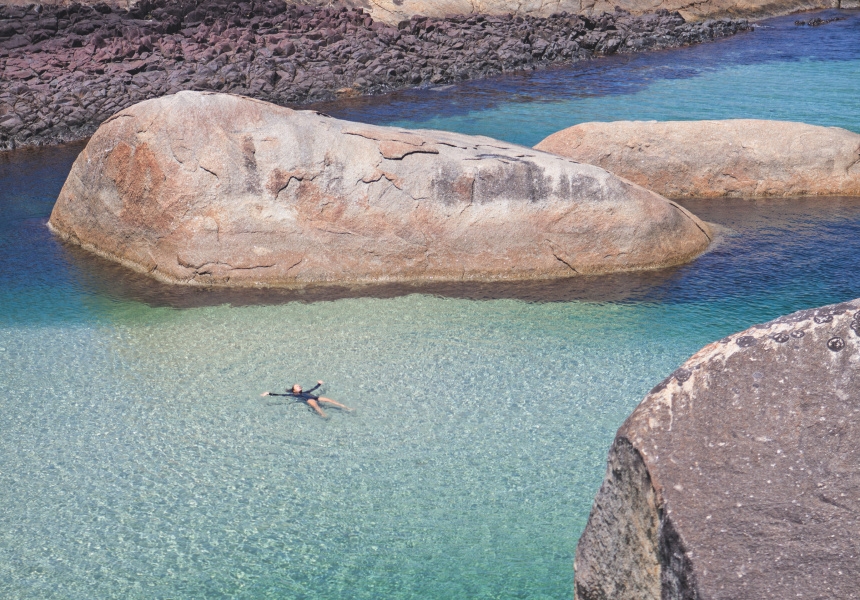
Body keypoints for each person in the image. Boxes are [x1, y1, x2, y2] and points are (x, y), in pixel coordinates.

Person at [261, 380, 353, 419]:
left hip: (314, 397)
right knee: (316, 407)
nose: (299, 386)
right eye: (297, 386)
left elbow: (314, 389)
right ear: (294, 389)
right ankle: (324, 415)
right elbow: (281, 395)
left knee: (330, 400)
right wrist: (268, 393)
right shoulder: (295, 394)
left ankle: (347, 408)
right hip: (309, 400)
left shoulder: (307, 391)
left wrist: (319, 384)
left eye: (299, 386)